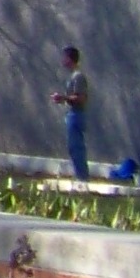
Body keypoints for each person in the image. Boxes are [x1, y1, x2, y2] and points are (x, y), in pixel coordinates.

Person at [51, 46, 89, 179]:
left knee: (76, 147)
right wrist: (63, 99)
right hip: (71, 114)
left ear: (70, 59)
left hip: (76, 115)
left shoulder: (78, 77)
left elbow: (82, 98)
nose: (62, 60)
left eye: (64, 57)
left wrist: (63, 97)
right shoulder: (72, 76)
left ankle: (82, 178)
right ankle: (80, 176)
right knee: (73, 148)